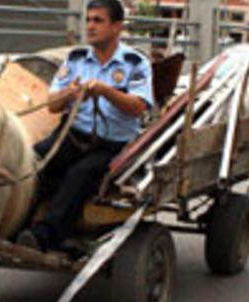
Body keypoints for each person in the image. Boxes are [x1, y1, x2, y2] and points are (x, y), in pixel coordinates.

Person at [17, 0, 153, 252]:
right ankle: (14, 224)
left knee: (78, 175)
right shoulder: (75, 59)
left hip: (111, 146)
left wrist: (105, 91)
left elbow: (138, 107)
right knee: (32, 163)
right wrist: (68, 93)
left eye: (98, 20)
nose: (90, 26)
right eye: (88, 20)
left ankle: (44, 237)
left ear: (117, 27)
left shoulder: (135, 63)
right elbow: (52, 106)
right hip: (71, 136)